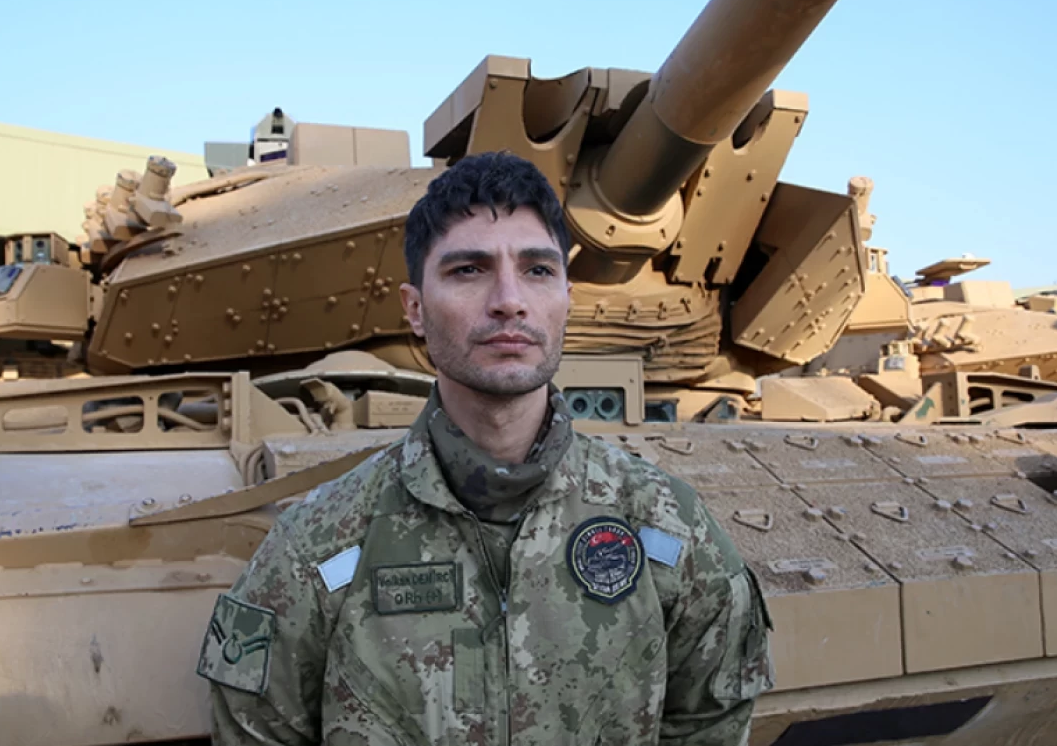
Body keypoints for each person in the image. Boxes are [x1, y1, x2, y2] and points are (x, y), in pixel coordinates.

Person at [198, 151, 774, 745]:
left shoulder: (666, 524)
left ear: (568, 298)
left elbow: (711, 720)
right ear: (415, 309)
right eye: (469, 270)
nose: (508, 300)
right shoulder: (321, 543)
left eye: (537, 270)